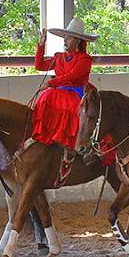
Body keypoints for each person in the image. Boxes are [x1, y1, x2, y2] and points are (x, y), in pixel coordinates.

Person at [31, 17, 99, 162]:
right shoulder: (59, 57)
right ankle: (47, 138)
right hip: (59, 90)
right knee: (46, 97)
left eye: (69, 38)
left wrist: (51, 83)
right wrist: (41, 45)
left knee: (70, 104)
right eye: (65, 38)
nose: (65, 41)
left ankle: (74, 144)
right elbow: (39, 65)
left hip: (77, 91)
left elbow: (73, 76)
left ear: (78, 41)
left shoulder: (84, 59)